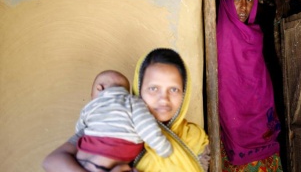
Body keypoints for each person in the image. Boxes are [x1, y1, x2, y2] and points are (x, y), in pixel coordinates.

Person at [43, 48, 210, 172]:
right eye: (153, 89)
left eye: (174, 89)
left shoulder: (195, 139)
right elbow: (52, 161)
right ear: (138, 89)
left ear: (184, 93)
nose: (163, 99)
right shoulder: (110, 126)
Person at [217, 0, 283, 171]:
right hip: (237, 121)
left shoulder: (255, 33)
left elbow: (259, 79)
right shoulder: (223, 35)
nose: (243, 7)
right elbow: (227, 87)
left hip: (262, 116)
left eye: (248, 0)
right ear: (227, 2)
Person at [71, 70, 172, 172]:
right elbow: (145, 126)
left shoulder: (90, 106)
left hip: (88, 152)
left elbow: (80, 131)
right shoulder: (133, 101)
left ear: (99, 88)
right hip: (122, 152)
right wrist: (162, 147)